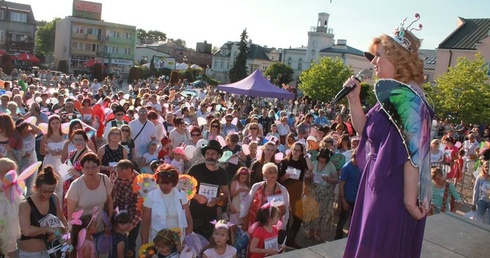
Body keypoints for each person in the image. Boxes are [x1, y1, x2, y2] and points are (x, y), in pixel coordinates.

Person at [342, 17, 433, 257]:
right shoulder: (391, 95)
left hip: (391, 191)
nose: (374, 62)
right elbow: (365, 131)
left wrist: (408, 203)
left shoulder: (410, 99)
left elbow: (413, 156)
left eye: (379, 55)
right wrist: (354, 99)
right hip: (375, 183)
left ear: (398, 59)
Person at [66, 153, 114, 250]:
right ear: (82, 169)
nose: (90, 170)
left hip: (100, 228)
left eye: (94, 167)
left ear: (98, 167)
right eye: (87, 167)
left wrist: (109, 221)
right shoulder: (76, 186)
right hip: (81, 231)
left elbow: (110, 201)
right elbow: (70, 214)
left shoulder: (104, 179)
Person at [19, 165, 68, 258]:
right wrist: (47, 229)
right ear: (36, 188)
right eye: (44, 191)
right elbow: (26, 231)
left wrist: (66, 236)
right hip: (31, 253)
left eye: (51, 191)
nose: (47, 195)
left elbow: (61, 219)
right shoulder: (25, 205)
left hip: (51, 251)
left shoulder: (54, 198)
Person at [141, 163, 193, 245]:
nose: (163, 186)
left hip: (178, 242)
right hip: (158, 242)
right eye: (161, 183)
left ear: (173, 183)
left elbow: (189, 220)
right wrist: (144, 245)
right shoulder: (151, 196)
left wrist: (186, 241)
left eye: (167, 183)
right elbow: (145, 223)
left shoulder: (181, 195)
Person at [188, 140, 230, 239]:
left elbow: (225, 192)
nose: (210, 156)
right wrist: (197, 197)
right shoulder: (195, 169)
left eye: (213, 154)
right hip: (194, 215)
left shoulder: (222, 173)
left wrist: (218, 199)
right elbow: (184, 189)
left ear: (218, 156)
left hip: (211, 216)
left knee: (207, 245)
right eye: (207, 153)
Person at [240, 162, 289, 237]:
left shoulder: (282, 190)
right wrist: (244, 220)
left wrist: (283, 226)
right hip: (254, 222)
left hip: (272, 226)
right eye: (270, 172)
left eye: (275, 172)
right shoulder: (256, 187)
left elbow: (286, 210)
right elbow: (248, 203)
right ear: (264, 174)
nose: (273, 174)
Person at [278, 141, 312, 248]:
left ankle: (290, 239)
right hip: (285, 192)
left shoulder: (302, 162)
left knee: (298, 218)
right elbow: (279, 179)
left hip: (297, 193)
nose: (295, 152)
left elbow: (310, 168)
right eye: (294, 149)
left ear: (301, 152)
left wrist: (306, 154)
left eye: (298, 150)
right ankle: (284, 241)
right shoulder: (284, 162)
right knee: (285, 218)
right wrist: (285, 177)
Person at [303, 148, 337, 241]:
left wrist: (328, 179)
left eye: (324, 158)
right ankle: (311, 231)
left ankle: (318, 233)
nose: (322, 159)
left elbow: (335, 180)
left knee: (322, 213)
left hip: (325, 193)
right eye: (321, 157)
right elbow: (306, 177)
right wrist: (309, 176)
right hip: (313, 191)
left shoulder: (331, 166)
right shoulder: (313, 163)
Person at [110, 160, 141, 257]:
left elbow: (140, 209)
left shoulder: (139, 181)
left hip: (132, 213)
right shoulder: (113, 172)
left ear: (132, 173)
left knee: (130, 245)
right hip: (117, 212)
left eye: (126, 180)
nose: (123, 182)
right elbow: (110, 194)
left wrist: (128, 228)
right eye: (120, 179)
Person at [335, 149, 362, 240]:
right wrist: (343, 200)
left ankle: (351, 237)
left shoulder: (361, 166)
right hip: (347, 198)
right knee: (343, 219)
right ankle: (338, 237)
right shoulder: (346, 167)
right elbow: (341, 184)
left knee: (354, 220)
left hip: (357, 198)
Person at [0, 158, 23, 257]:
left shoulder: (14, 186)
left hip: (9, 216)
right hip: (4, 213)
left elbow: (17, 197)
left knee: (9, 243)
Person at [472, 160, 490, 224]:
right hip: (481, 201)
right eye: (486, 167)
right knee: (478, 219)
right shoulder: (479, 178)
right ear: (483, 168)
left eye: (489, 167)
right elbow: (476, 190)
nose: (487, 169)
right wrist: (474, 203)